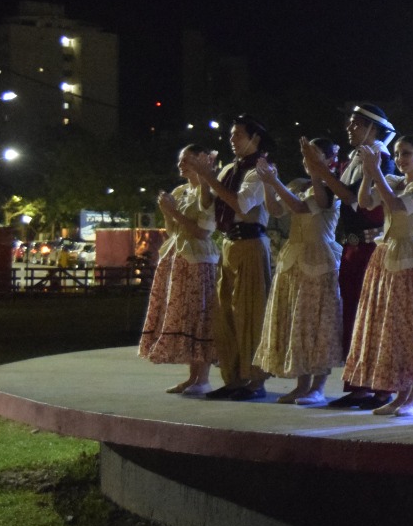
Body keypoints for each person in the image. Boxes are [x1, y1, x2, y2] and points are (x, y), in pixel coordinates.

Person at [340, 135, 413, 417]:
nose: (401, 159)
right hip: (388, 254)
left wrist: (375, 172)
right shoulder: (392, 180)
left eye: (407, 153)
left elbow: (398, 206)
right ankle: (399, 394)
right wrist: (369, 173)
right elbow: (365, 202)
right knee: (392, 328)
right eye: (398, 153)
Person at [304, 104, 397, 409]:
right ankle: (358, 385)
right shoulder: (354, 160)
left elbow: (356, 200)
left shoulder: (382, 160)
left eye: (356, 123)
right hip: (352, 247)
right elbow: (328, 200)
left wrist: (321, 171)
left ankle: (380, 386)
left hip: (371, 246)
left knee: (373, 317)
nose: (349, 128)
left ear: (373, 128)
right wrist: (317, 173)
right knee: (354, 316)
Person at [188, 115, 274, 400]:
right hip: (228, 243)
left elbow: (241, 203)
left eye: (238, 135)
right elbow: (208, 206)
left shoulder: (260, 169)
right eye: (231, 135)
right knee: (225, 315)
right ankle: (233, 378)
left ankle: (255, 381)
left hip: (250, 242)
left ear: (255, 138)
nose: (232, 140)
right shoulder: (229, 168)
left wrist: (211, 178)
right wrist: (205, 179)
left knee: (251, 313)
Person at [252, 138, 344, 404]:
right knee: (296, 321)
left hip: (319, 260)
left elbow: (303, 207)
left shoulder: (331, 188)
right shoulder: (298, 186)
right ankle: (301, 385)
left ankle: (318, 387)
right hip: (294, 259)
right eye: (305, 155)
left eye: (314, 155)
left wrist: (275, 182)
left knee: (317, 323)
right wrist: (268, 183)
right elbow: (275, 209)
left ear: (329, 160)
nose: (307, 160)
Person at [138, 144, 220, 396]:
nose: (181, 165)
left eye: (186, 160)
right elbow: (174, 230)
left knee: (198, 315)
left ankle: (202, 377)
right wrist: (167, 214)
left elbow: (203, 231)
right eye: (180, 160)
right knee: (183, 314)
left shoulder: (207, 192)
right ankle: (192, 377)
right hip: (178, 255)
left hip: (198, 259)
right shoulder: (181, 191)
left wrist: (173, 212)